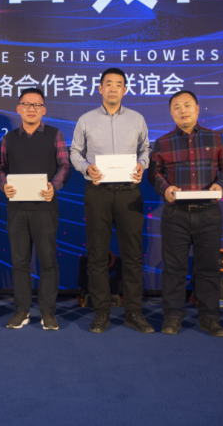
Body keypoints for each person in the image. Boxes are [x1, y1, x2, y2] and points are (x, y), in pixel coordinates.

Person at [148, 90, 223, 337]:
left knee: (208, 268)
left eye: (187, 105)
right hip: (175, 215)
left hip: (208, 213)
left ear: (197, 109)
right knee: (173, 269)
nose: (182, 110)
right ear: (171, 113)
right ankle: (172, 317)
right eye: (177, 107)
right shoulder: (163, 142)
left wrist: (221, 183)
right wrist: (165, 188)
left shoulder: (215, 137)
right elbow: (153, 173)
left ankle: (209, 318)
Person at [70, 68, 153, 334]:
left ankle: (134, 312)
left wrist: (142, 164)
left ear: (125, 90)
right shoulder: (86, 119)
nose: (113, 88)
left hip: (129, 192)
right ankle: (101, 312)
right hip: (99, 192)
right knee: (97, 255)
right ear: (100, 89)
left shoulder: (137, 119)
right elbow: (75, 152)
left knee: (133, 255)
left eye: (119, 84)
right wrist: (86, 168)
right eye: (109, 84)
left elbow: (145, 149)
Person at [0, 88, 71, 330]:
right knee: (20, 262)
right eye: (26, 104)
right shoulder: (9, 138)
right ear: (18, 108)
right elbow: (1, 168)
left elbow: (65, 165)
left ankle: (47, 312)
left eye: (37, 105)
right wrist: (4, 185)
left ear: (44, 110)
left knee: (48, 261)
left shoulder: (54, 135)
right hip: (17, 209)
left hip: (45, 207)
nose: (31, 109)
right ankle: (21, 311)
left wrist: (54, 185)